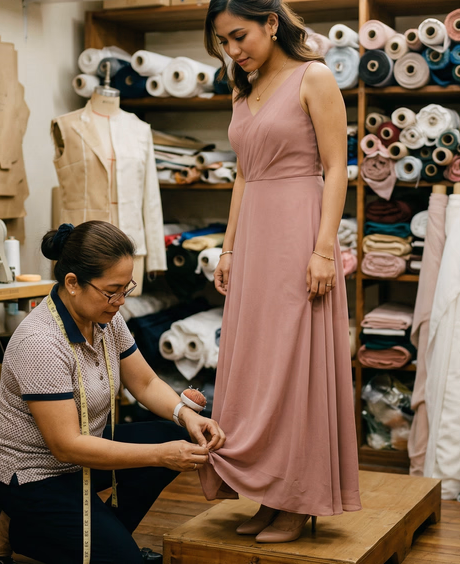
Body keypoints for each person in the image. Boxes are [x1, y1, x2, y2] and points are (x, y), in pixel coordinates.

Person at [198, 0, 361, 543]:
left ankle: (300, 496)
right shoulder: (244, 91)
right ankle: (269, 493)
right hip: (257, 237)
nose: (233, 51)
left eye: (239, 36)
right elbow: (243, 176)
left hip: (298, 226)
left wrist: (323, 250)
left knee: (296, 363)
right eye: (224, 42)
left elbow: (337, 167)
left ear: (271, 22)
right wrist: (227, 248)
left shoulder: (314, 76)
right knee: (257, 363)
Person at [0, 221, 226, 564]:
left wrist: (186, 415)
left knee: (174, 431)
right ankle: (14, 522)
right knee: (124, 559)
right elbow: (66, 446)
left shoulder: (106, 318)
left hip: (81, 459)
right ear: (72, 284)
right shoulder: (40, 343)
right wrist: (161, 455)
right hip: (34, 475)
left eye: (126, 288)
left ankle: (106, 537)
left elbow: (145, 383)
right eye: (112, 291)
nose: (121, 301)